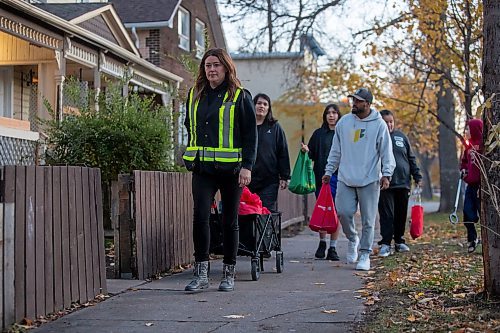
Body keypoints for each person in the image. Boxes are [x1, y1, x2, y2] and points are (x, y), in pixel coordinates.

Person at [182, 48, 257, 292]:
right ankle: (201, 273)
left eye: (216, 65)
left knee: (229, 220)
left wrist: (247, 166)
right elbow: (189, 126)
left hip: (232, 170)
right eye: (207, 65)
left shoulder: (239, 96)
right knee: (200, 217)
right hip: (202, 168)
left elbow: (250, 135)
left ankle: (229, 272)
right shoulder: (195, 95)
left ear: (226, 67)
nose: (211, 69)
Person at [322, 88, 395, 271]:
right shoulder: (344, 123)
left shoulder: (379, 125)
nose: (354, 103)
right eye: (353, 100)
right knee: (344, 213)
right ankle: (353, 238)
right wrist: (329, 171)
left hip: (370, 178)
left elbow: (386, 151)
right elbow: (335, 150)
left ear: (367, 104)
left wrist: (386, 174)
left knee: (369, 220)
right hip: (345, 177)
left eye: (358, 101)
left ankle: (364, 254)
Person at [377, 109, 423, 257]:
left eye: (391, 121)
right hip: (385, 183)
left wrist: (417, 176)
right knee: (387, 214)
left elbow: (411, 158)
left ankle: (399, 241)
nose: (389, 125)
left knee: (401, 214)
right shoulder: (377, 137)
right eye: (386, 122)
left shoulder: (401, 137)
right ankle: (385, 243)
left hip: (403, 182)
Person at [300, 104, 342, 261]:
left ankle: (333, 247)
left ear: (338, 115)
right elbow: (311, 153)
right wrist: (306, 150)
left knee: (335, 212)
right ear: (325, 116)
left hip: (339, 178)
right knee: (323, 211)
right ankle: (322, 242)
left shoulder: (342, 134)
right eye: (328, 113)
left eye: (334, 113)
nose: (331, 116)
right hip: (321, 179)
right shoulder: (318, 134)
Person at [248, 93, 290, 212]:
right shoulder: (246, 126)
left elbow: (283, 152)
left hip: (269, 181)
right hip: (246, 179)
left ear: (268, 108)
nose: (262, 106)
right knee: (247, 213)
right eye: (259, 103)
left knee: (266, 213)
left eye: (265, 104)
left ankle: (266, 232)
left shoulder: (275, 127)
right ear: (253, 105)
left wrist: (284, 176)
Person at [460, 119, 483, 253]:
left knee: (483, 214)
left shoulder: (482, 145)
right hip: (471, 186)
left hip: (482, 187)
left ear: (474, 129)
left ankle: (487, 241)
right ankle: (472, 238)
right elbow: (464, 162)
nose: (466, 132)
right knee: (467, 214)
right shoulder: (468, 147)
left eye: (468, 129)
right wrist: (463, 170)